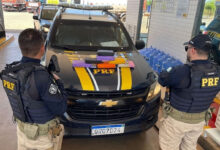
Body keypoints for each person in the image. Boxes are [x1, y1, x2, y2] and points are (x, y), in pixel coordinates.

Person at [0, 28, 67, 150]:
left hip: (22, 133)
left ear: (21, 47)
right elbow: (60, 108)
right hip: (42, 139)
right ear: (42, 48)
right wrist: (59, 83)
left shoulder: (10, 72)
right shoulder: (41, 77)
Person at [158, 34, 220, 150]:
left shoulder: (182, 71)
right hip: (199, 122)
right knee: (189, 147)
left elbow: (162, 79)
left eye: (187, 48)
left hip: (177, 121)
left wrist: (169, 70)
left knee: (168, 146)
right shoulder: (217, 71)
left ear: (193, 50)